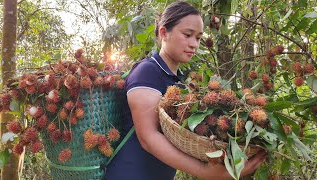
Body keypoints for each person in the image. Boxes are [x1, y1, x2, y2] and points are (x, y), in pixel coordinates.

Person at [105, 1, 267, 180]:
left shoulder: (179, 82)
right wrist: (204, 171)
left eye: (198, 38)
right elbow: (148, 138)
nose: (194, 44)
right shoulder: (148, 71)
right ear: (163, 33)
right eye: (187, 34)